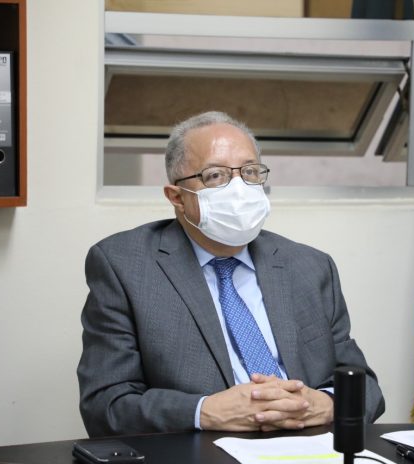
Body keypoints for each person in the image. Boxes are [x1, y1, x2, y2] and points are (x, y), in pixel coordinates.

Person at [77, 111, 385, 437]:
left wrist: (325, 405)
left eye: (250, 172)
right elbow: (105, 405)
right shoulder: (125, 266)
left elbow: (366, 389)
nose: (239, 189)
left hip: (308, 446)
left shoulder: (309, 266)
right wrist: (205, 412)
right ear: (177, 197)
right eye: (215, 176)